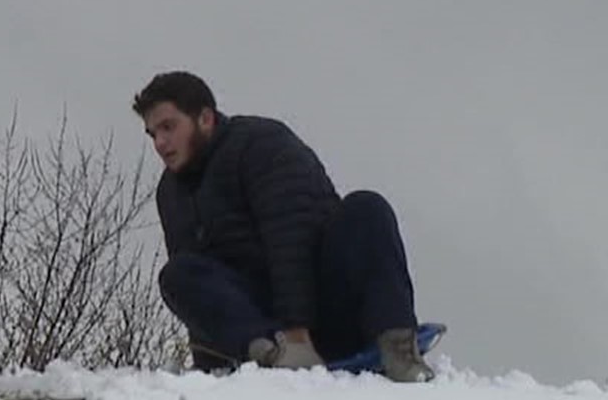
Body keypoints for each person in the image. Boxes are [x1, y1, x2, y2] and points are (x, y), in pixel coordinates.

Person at [132, 70, 432, 382]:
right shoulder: (171, 193)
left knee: (366, 209)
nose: (160, 142)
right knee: (178, 274)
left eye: (168, 127)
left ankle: (398, 350)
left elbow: (291, 236)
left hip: (326, 302)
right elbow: (202, 292)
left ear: (205, 119)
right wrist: (210, 369)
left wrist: (297, 335)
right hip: (261, 333)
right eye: (153, 134)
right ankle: (272, 354)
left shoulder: (260, 144)